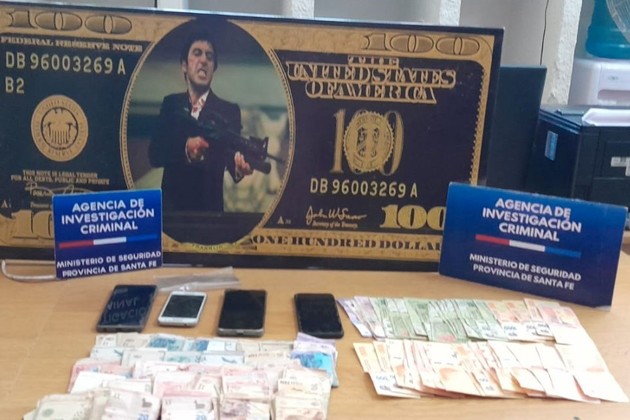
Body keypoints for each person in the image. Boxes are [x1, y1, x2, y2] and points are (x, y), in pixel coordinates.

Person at [149, 31, 253, 212]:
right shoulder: (171, 104)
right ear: (184, 65)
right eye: (197, 53)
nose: (204, 60)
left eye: (209, 57)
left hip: (208, 215)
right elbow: (155, 154)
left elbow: (232, 156)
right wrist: (186, 147)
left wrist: (239, 168)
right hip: (170, 215)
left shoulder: (229, 110)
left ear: (213, 68)